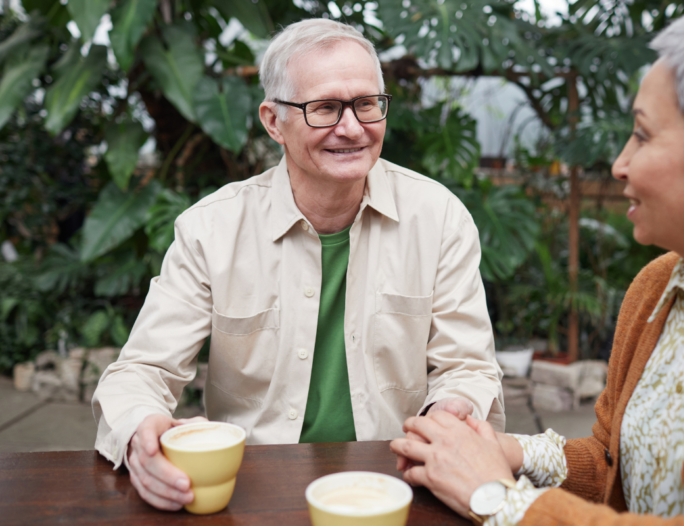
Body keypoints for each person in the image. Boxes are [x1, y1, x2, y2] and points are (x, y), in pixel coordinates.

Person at [92, 19, 505, 511]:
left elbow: (469, 367)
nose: (351, 128)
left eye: (366, 104)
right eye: (325, 108)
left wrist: (449, 414)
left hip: (397, 485)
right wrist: (141, 431)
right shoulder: (212, 229)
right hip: (251, 491)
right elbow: (140, 371)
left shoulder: (438, 219)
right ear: (273, 122)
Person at [390, 7, 684, 526]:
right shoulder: (659, 289)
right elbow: (609, 463)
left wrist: (497, 495)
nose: (619, 163)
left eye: (643, 136)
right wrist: (503, 450)